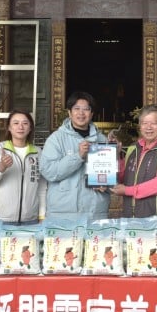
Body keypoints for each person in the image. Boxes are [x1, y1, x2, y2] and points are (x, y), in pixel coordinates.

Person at [40, 91, 111, 220]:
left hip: (95, 212)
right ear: (69, 112)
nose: (81, 113)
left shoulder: (102, 139)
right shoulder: (56, 139)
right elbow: (48, 171)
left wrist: (106, 185)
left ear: (92, 114)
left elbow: (108, 177)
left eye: (86, 109)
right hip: (63, 213)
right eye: (76, 108)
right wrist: (78, 156)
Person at [110, 105, 157, 218]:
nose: (149, 127)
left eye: (153, 123)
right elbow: (123, 177)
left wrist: (127, 190)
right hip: (130, 216)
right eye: (144, 123)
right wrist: (115, 155)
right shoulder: (133, 148)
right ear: (140, 126)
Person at [0, 110, 47, 224]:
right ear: (9, 127)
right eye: (16, 123)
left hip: (30, 220)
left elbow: (41, 187)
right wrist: (1, 168)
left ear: (30, 128)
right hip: (1, 220)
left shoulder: (37, 152)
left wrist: (42, 215)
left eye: (25, 123)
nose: (20, 127)